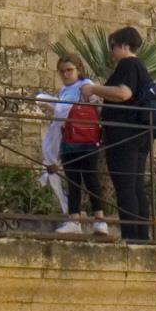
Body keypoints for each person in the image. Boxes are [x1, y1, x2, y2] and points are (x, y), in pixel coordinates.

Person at [80, 26, 155, 243]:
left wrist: (94, 89)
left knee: (125, 186)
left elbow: (124, 93)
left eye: (113, 47)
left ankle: (131, 237)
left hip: (123, 135)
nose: (111, 52)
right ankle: (142, 237)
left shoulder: (128, 64)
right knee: (136, 186)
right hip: (138, 134)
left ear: (123, 46)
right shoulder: (141, 67)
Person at [49, 53, 109, 236]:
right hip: (68, 138)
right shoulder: (64, 91)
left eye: (69, 70)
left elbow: (98, 109)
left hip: (86, 138)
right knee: (73, 180)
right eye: (63, 71)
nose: (66, 74)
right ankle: (74, 219)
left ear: (78, 70)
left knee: (91, 179)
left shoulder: (86, 86)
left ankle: (100, 220)